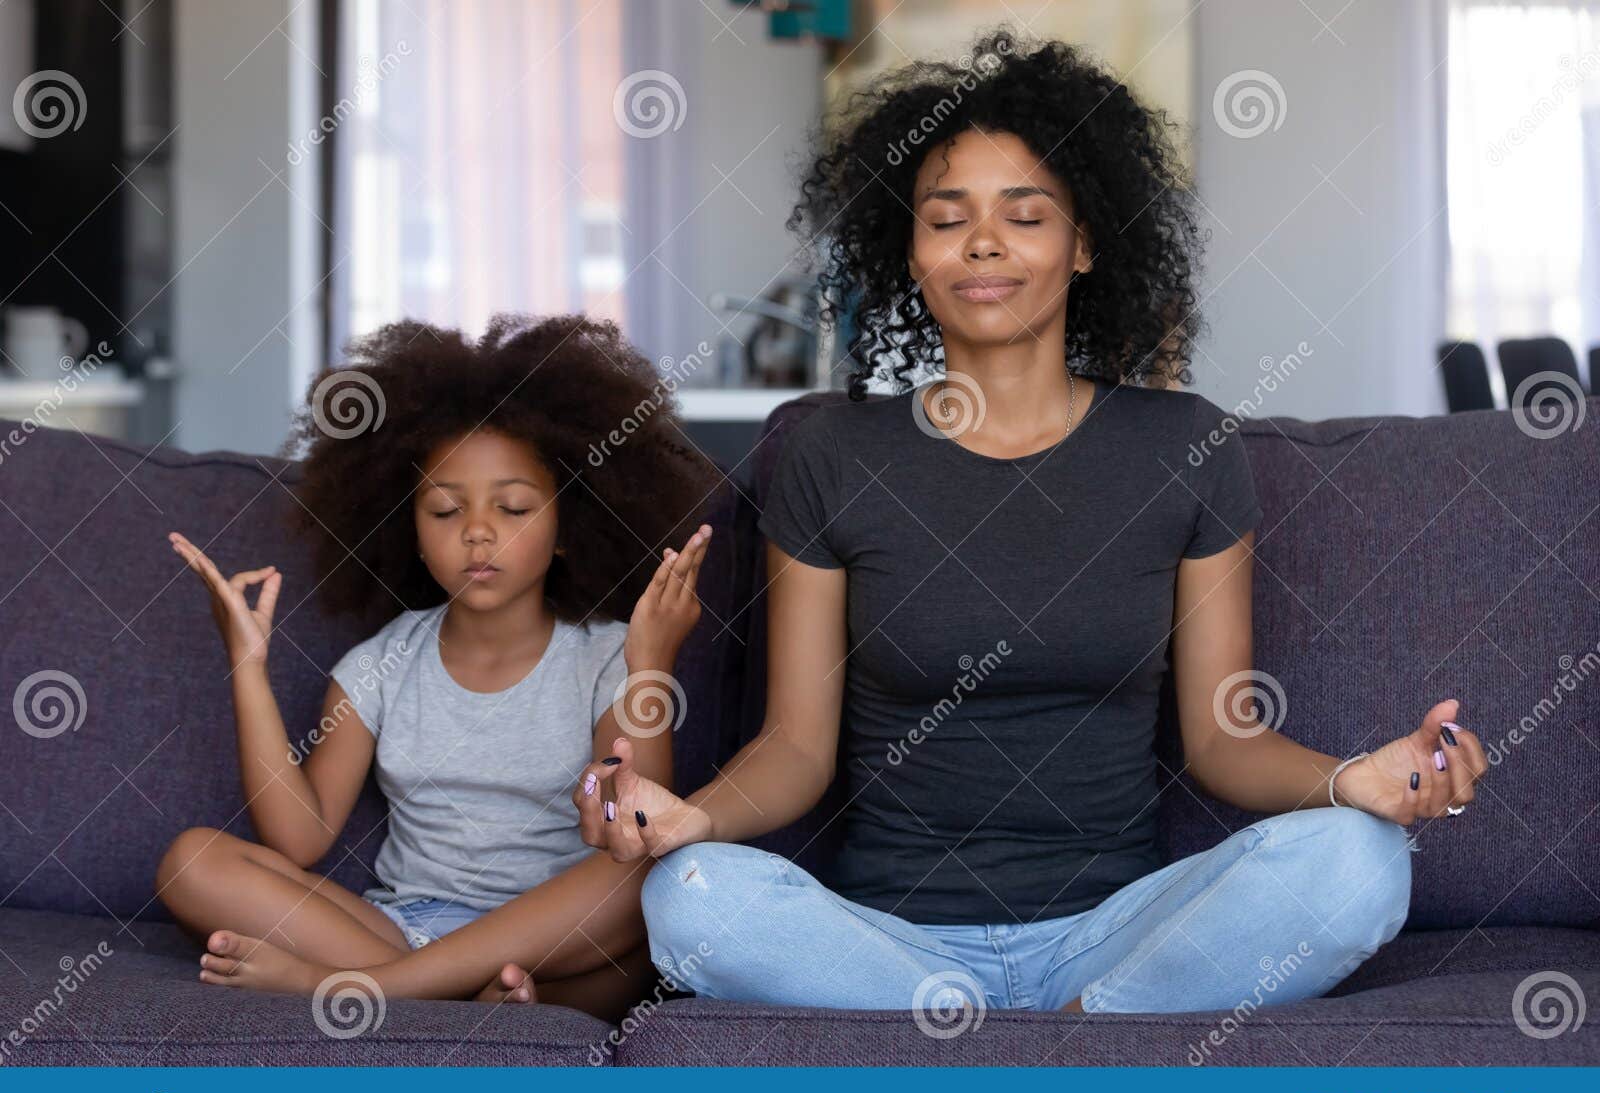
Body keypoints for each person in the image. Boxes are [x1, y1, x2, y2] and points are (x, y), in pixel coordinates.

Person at [589, 31, 1490, 1016]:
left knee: (1361, 859)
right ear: (911, 250)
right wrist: (692, 818)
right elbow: (795, 748)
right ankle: (1065, 1052)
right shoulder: (832, 454)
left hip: (1119, 932)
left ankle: (1052, 1033)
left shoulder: (1184, 446)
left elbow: (1224, 740)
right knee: (691, 894)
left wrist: (1357, 779)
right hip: (889, 941)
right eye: (946, 219)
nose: (982, 242)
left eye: (1024, 215)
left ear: (1086, 242)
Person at [154, 313, 715, 1020]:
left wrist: (650, 665)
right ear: (409, 532)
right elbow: (299, 836)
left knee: (641, 878)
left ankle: (377, 988)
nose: (478, 531)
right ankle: (465, 994)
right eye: (446, 510)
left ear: (569, 527)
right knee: (191, 860)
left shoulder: (606, 657)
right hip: (403, 927)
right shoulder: (381, 665)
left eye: (512, 507)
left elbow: (630, 822)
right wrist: (247, 665)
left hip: (557, 942)